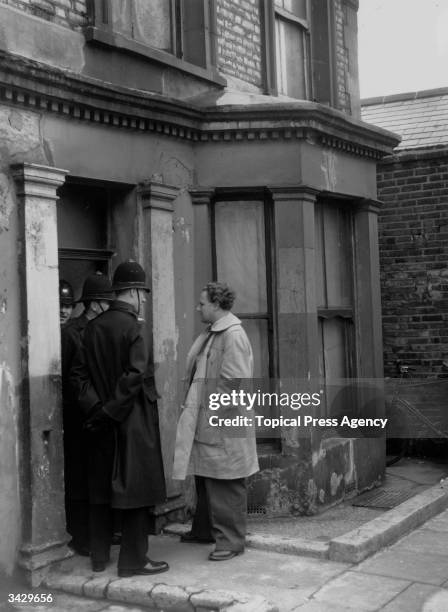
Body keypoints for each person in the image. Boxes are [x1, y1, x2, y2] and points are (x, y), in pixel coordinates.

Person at [71, 261, 168, 577]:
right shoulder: (136, 328)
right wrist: (112, 411)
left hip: (99, 422)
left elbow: (78, 375)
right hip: (131, 421)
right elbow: (135, 375)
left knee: (100, 488)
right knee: (135, 491)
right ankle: (133, 560)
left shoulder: (93, 327)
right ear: (137, 292)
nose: (145, 299)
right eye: (144, 293)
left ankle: (99, 557)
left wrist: (97, 410)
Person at [173, 282, 259, 561]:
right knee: (207, 478)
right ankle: (204, 531)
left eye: (202, 303)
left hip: (224, 423)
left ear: (216, 304)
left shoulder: (232, 335)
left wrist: (210, 415)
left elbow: (233, 384)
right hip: (211, 421)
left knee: (226, 482)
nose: (198, 308)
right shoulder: (214, 333)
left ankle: (231, 542)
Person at [61, 272, 115, 557]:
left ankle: (101, 534)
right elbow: (71, 378)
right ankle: (80, 536)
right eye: (107, 301)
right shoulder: (72, 331)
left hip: (100, 417)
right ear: (95, 304)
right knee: (80, 478)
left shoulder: (104, 329)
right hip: (79, 418)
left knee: (100, 477)